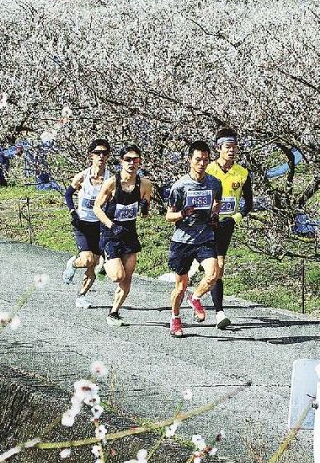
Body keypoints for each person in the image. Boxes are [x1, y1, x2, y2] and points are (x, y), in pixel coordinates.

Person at [166, 141, 223, 338]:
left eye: (205, 160)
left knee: (213, 273)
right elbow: (169, 216)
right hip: (182, 241)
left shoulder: (215, 183)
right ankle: (175, 318)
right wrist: (183, 212)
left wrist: (214, 216)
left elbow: (218, 202)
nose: (202, 163)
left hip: (205, 237)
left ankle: (196, 297)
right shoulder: (180, 186)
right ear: (190, 160)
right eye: (198, 159)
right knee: (180, 287)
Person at [93, 145, 153, 327]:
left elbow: (145, 208)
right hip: (111, 233)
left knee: (128, 276)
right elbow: (96, 208)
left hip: (129, 233)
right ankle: (103, 263)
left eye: (135, 160)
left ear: (139, 162)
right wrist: (111, 225)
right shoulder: (112, 183)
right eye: (128, 159)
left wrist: (144, 208)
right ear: (121, 161)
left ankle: (114, 312)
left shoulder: (145, 184)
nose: (132, 163)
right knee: (118, 276)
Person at [205, 127, 253, 330]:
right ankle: (219, 312)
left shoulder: (242, 173)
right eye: (227, 147)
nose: (231, 150)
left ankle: (201, 297)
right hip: (206, 224)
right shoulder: (208, 170)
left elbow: (249, 204)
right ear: (218, 148)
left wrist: (235, 218)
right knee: (216, 267)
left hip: (227, 225)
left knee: (218, 269)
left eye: (234, 147)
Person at [63, 139, 112, 308]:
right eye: (98, 153)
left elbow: (113, 201)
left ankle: (81, 296)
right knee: (86, 260)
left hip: (99, 225)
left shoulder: (110, 179)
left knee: (95, 264)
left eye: (104, 153)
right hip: (82, 223)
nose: (101, 156)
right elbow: (68, 194)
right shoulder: (83, 176)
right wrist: (72, 211)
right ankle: (73, 263)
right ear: (91, 155)